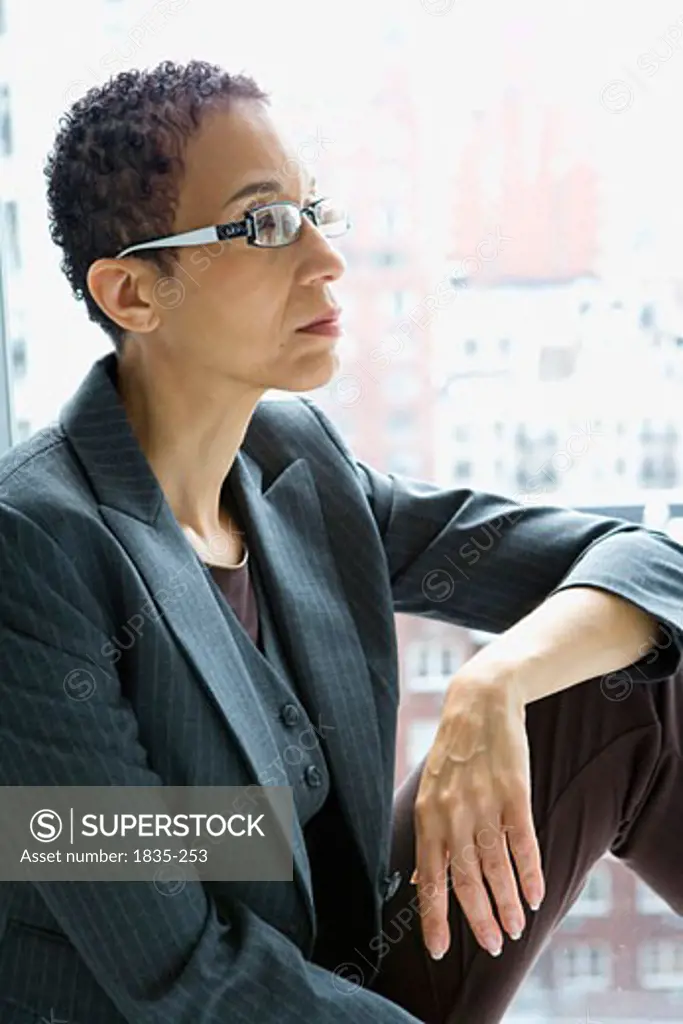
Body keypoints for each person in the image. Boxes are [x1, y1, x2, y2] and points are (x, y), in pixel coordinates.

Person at [0, 59, 681, 1024]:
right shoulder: (32, 547)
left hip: (360, 969)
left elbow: (647, 561)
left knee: (629, 684)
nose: (326, 259)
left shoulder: (298, 465)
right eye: (266, 224)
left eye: (315, 212)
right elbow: (180, 975)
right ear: (133, 294)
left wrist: (494, 683)